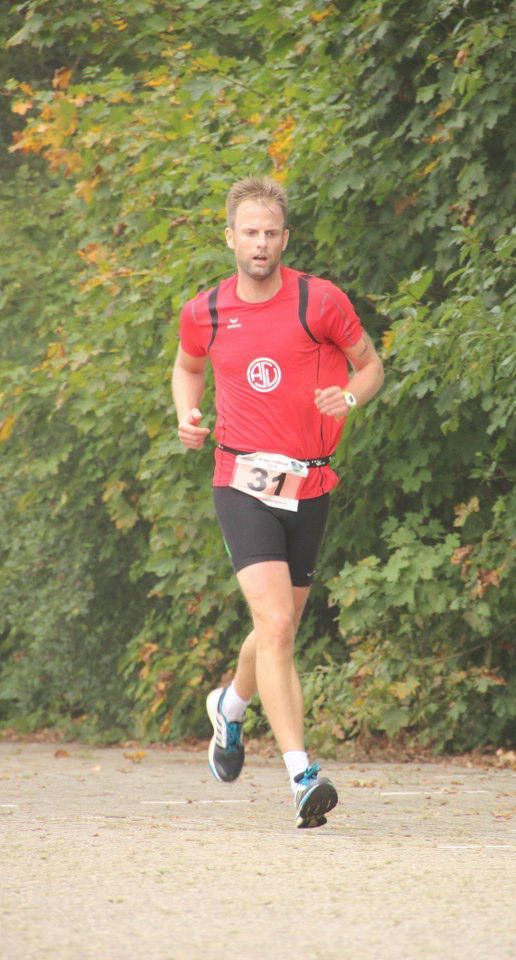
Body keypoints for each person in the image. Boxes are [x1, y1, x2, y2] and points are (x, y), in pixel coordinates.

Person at [172, 176, 384, 828]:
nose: (260, 243)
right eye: (250, 232)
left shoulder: (319, 301)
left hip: (310, 483)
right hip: (241, 480)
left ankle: (230, 708)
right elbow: (187, 367)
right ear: (230, 236)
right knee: (278, 626)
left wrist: (348, 397)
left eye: (271, 233)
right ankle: (302, 774)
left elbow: (369, 364)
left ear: (284, 239)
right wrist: (187, 414)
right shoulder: (204, 310)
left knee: (277, 628)